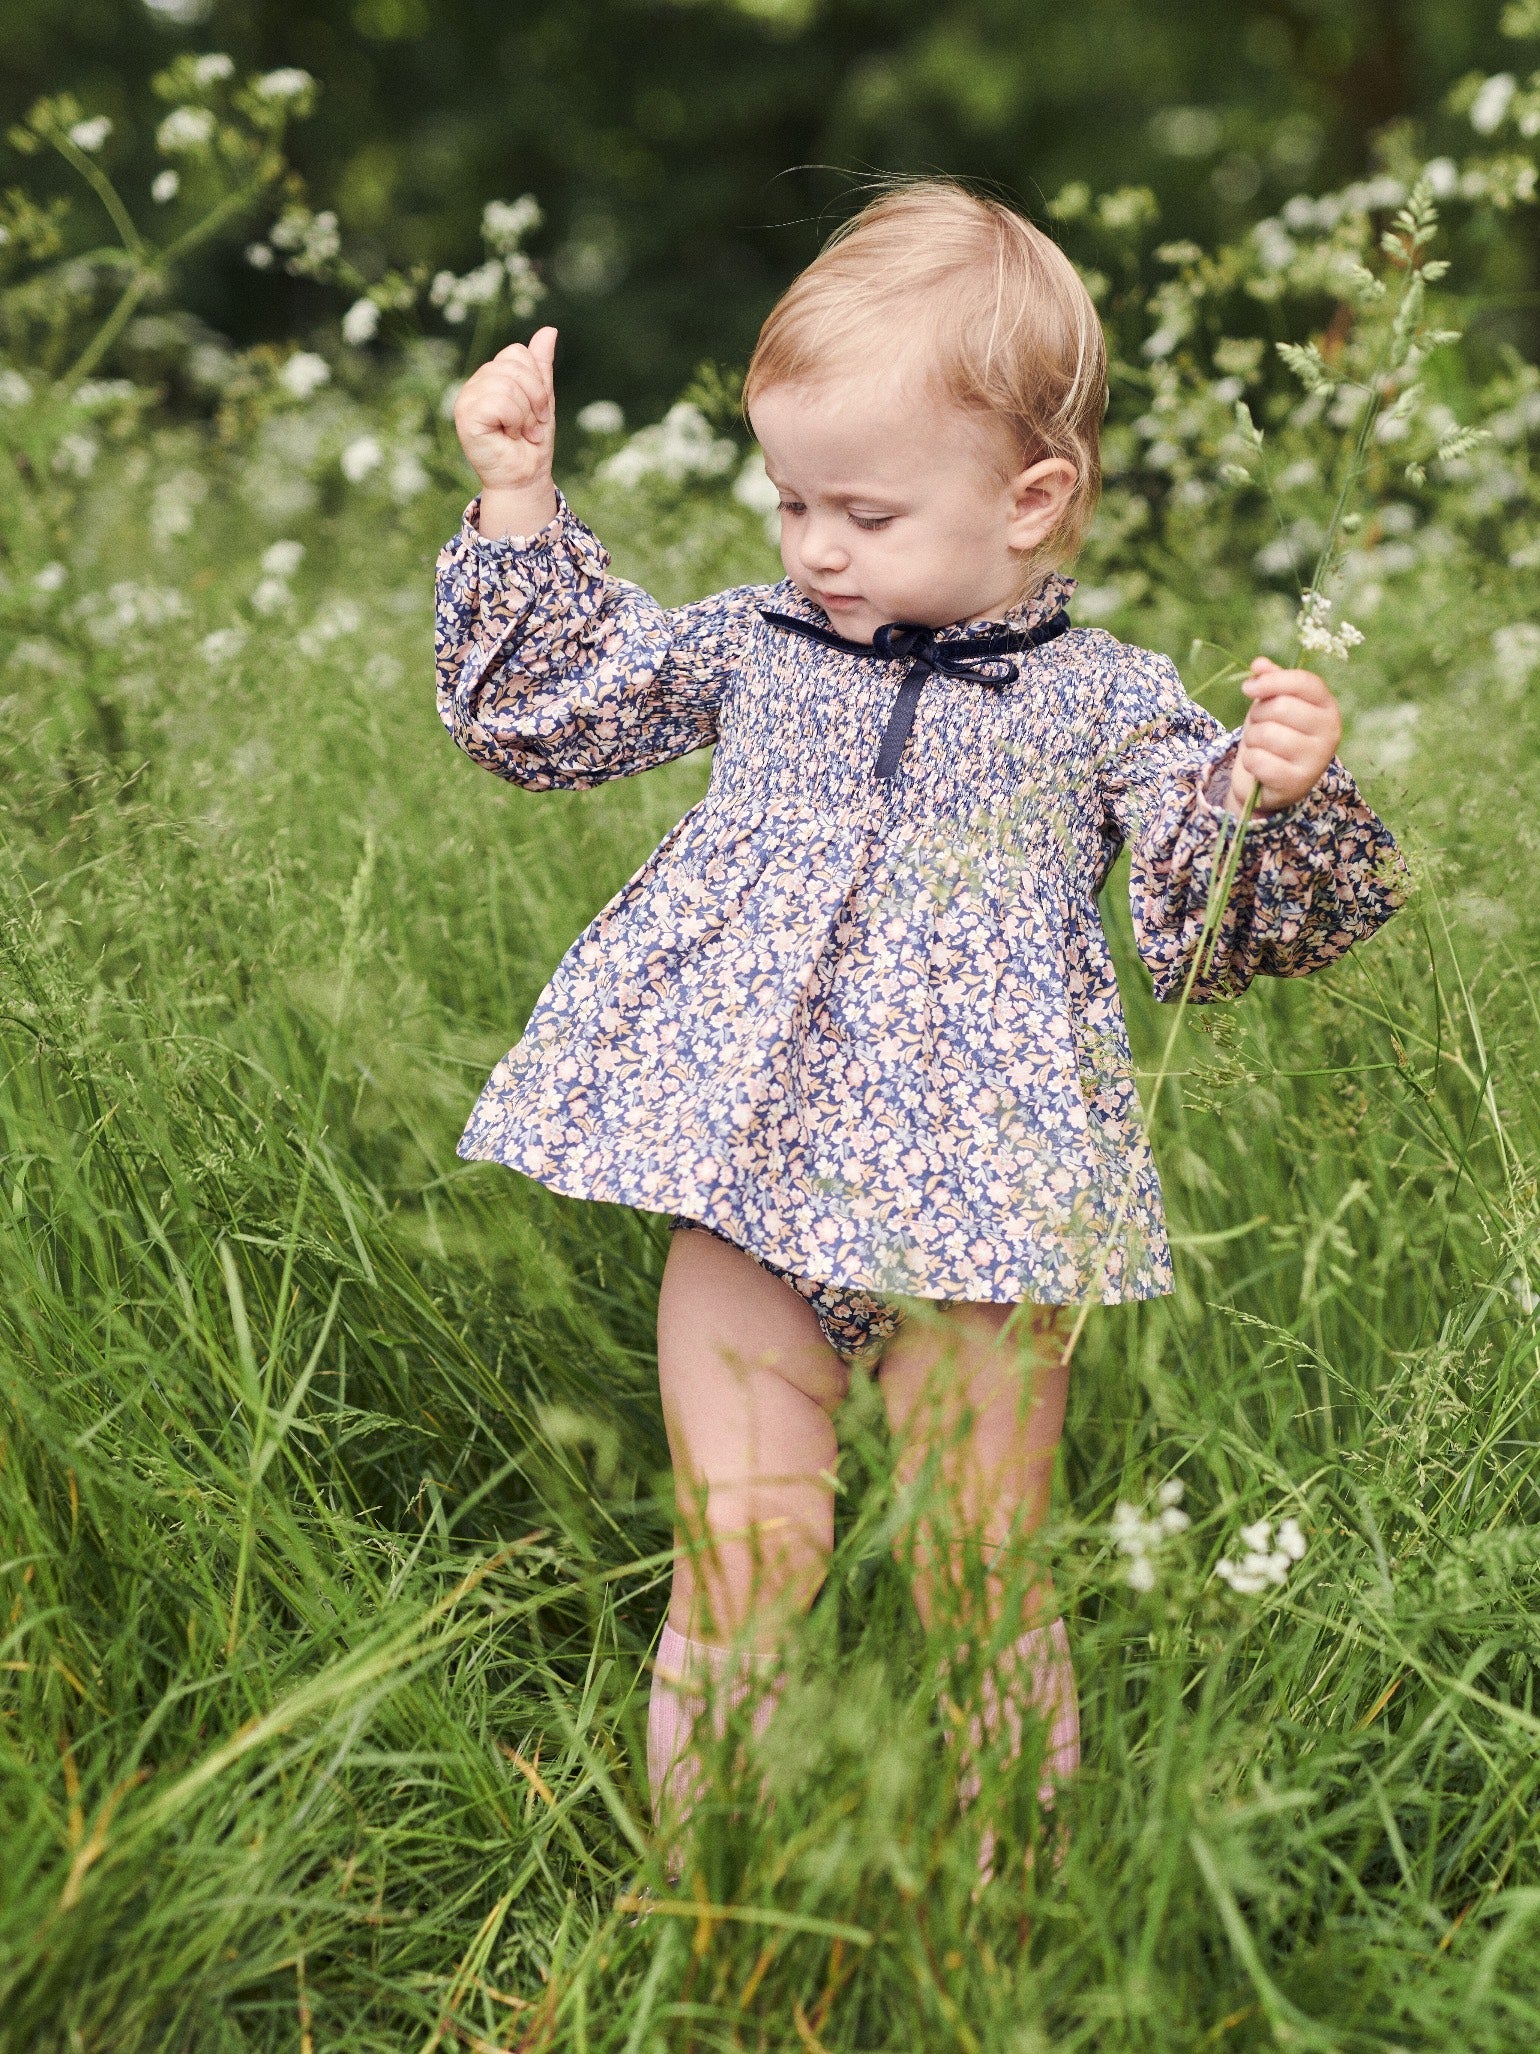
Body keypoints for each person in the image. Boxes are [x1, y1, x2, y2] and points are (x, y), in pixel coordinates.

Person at [434, 181, 1404, 1874]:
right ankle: (708, 1902)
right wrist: (517, 495)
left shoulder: (1103, 699)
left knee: (985, 1573)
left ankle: (998, 1910)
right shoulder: (757, 639)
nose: (814, 544)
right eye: (792, 496)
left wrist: (1267, 789)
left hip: (985, 1212)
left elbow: (1214, 905)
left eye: (864, 511)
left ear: (1034, 500)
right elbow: (541, 717)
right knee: (741, 1554)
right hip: (741, 1173)